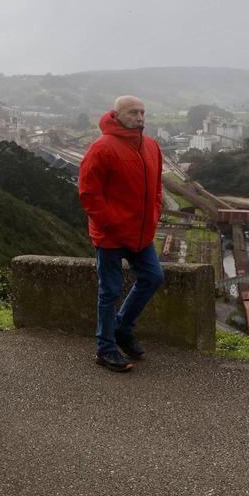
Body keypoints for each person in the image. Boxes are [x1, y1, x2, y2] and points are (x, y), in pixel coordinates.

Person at [78, 95, 166, 373]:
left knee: (153, 277)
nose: (139, 117)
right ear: (116, 114)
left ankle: (122, 328)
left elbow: (157, 188)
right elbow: (89, 194)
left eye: (142, 112)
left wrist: (154, 215)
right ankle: (105, 348)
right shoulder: (101, 148)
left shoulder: (151, 146)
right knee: (110, 291)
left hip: (142, 233)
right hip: (111, 234)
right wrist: (111, 223)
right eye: (133, 112)